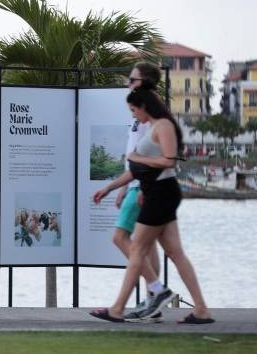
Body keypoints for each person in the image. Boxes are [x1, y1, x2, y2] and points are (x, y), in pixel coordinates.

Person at [90, 86, 214, 324]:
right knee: (175, 252)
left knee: (136, 248)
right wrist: (108, 188)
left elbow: (168, 161)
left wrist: (137, 157)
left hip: (161, 194)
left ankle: (119, 308)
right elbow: (136, 170)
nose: (133, 115)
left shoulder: (164, 126)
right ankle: (201, 309)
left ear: (144, 105)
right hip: (155, 192)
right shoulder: (152, 128)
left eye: (134, 109)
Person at [113, 63, 166, 322]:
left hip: (142, 185)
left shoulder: (151, 111)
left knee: (120, 237)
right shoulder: (141, 108)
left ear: (144, 81)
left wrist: (140, 185)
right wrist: (124, 186)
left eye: (132, 79)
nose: (128, 83)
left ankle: (156, 290)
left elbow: (151, 152)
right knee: (149, 246)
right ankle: (153, 303)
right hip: (136, 184)